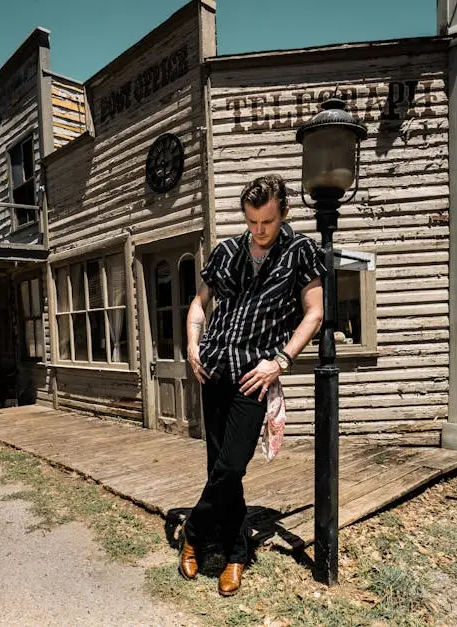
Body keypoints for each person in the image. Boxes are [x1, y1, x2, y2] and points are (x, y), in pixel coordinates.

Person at [180, 174, 325, 597]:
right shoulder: (226, 251)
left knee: (231, 466)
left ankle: (193, 530)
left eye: (267, 221)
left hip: (252, 376)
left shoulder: (300, 252)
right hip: (213, 371)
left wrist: (280, 361)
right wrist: (192, 343)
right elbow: (198, 304)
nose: (259, 230)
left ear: (283, 213)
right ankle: (235, 553)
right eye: (252, 222)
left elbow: (313, 313)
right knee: (218, 468)